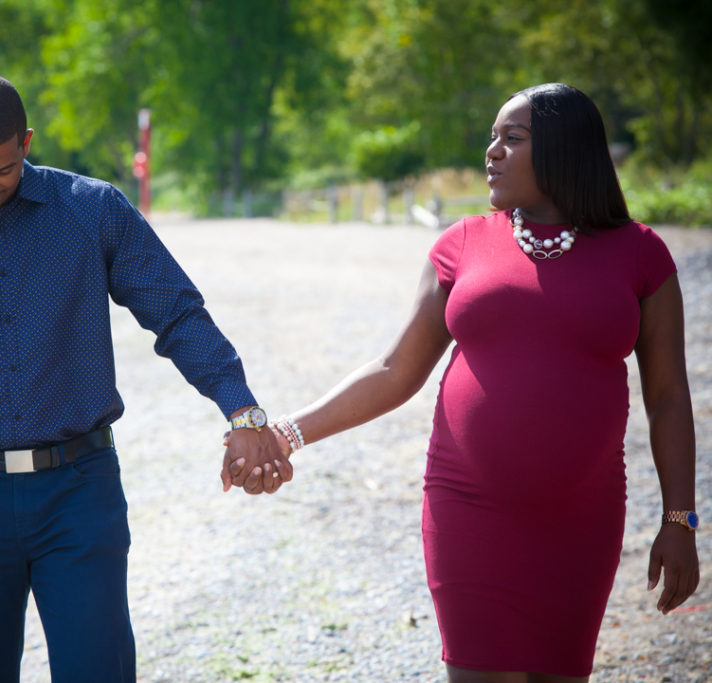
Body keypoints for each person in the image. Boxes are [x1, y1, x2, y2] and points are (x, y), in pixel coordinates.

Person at [0, 73, 289, 682]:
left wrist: (242, 410)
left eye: (3, 169)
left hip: (80, 492)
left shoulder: (91, 211)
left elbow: (176, 313)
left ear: (26, 142)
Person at [236, 83, 700, 681]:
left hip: (584, 515)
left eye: (512, 138)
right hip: (468, 507)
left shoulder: (640, 254)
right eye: (492, 138)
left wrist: (679, 520)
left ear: (564, 149)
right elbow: (394, 370)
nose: (492, 152)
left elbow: (668, 398)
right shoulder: (461, 244)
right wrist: (285, 434)